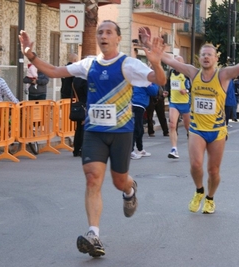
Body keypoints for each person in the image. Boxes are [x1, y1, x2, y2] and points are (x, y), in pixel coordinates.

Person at [19, 20, 166, 257]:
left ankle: (129, 189)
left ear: (118, 38)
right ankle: (93, 234)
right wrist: (31, 56)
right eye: (100, 32)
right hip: (94, 132)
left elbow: (159, 81)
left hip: (121, 133)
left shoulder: (128, 64)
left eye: (109, 32)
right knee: (92, 179)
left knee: (119, 181)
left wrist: (158, 65)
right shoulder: (89, 65)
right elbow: (57, 72)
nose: (103, 35)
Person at [144, 27, 239, 214]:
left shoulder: (223, 75)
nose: (206, 57)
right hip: (197, 129)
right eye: (203, 55)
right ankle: (199, 190)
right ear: (199, 58)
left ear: (216, 58)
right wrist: (149, 45)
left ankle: (210, 198)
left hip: (217, 131)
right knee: (195, 165)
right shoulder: (193, 73)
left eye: (210, 55)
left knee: (213, 171)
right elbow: (168, 60)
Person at [163, 55, 191, 159]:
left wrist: (186, 91)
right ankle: (174, 149)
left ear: (182, 63)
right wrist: (166, 91)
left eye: (178, 61)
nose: (176, 63)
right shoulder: (171, 73)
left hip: (185, 103)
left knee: (188, 127)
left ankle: (192, 146)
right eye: (174, 61)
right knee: (172, 125)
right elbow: (168, 84)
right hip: (174, 102)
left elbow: (192, 87)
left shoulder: (187, 73)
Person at [131, 83, 158, 160]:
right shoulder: (145, 80)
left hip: (138, 104)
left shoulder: (140, 78)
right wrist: (154, 83)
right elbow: (153, 91)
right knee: (137, 128)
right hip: (138, 104)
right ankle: (131, 151)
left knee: (140, 128)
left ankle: (140, 149)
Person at [71, 77, 88, 157]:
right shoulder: (85, 80)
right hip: (85, 105)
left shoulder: (76, 79)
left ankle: (76, 149)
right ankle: (82, 148)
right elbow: (88, 94)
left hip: (79, 106)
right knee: (84, 128)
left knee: (79, 128)